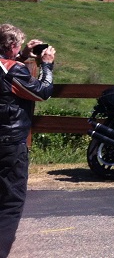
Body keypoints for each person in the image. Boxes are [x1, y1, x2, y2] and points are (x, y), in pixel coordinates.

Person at [0, 24, 55, 258]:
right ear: (12, 46)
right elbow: (41, 91)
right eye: (19, 46)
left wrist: (23, 56)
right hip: (9, 142)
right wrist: (47, 65)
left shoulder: (9, 65)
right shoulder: (12, 70)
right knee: (11, 202)